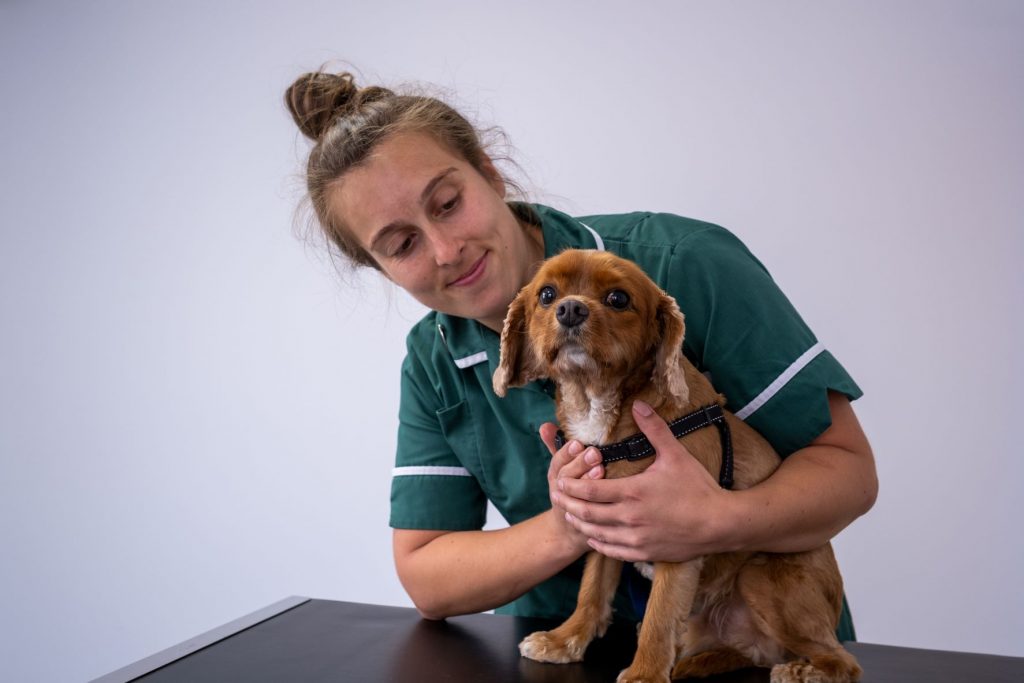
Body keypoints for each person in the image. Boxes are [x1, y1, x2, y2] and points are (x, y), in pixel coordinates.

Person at [284, 70, 878, 640]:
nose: (446, 249)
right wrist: (572, 523)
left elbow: (848, 472)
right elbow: (427, 576)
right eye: (402, 244)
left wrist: (713, 521)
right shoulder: (433, 359)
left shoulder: (685, 265)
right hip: (560, 654)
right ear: (378, 267)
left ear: (490, 176)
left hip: (756, 637)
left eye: (447, 203)